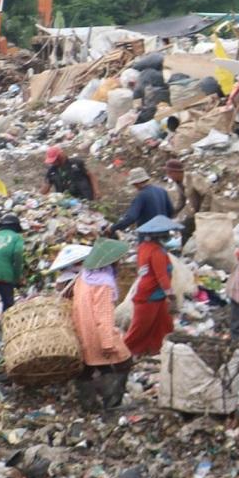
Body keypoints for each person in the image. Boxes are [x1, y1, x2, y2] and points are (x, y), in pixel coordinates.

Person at [67, 239, 132, 414]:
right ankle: (111, 404)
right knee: (123, 362)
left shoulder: (83, 276)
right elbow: (103, 315)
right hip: (96, 334)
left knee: (87, 368)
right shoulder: (103, 283)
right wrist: (108, 342)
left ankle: (88, 404)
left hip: (81, 330)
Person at [123, 216, 181, 356]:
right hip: (150, 294)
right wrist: (171, 295)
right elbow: (162, 276)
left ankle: (159, 350)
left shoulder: (143, 247)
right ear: (159, 235)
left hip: (154, 294)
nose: (168, 236)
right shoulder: (157, 252)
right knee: (140, 328)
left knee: (164, 324)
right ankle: (122, 354)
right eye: (166, 233)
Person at [109, 169, 174, 234]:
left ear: (136, 183)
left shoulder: (141, 196)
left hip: (148, 236)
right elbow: (171, 211)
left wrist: (113, 228)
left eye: (134, 184)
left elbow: (131, 218)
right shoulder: (162, 191)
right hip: (164, 233)